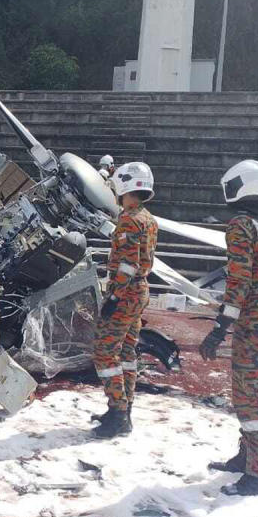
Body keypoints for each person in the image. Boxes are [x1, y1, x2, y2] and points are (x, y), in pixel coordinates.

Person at [199, 160, 258, 497]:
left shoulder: (240, 224)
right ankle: (248, 457)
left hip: (256, 321)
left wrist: (220, 327)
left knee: (249, 398)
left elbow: (239, 280)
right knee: (253, 389)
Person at [91, 162, 157, 439]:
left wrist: (115, 296)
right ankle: (124, 409)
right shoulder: (148, 218)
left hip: (127, 292)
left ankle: (118, 412)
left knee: (105, 351)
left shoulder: (129, 219)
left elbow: (128, 264)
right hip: (140, 291)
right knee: (127, 353)